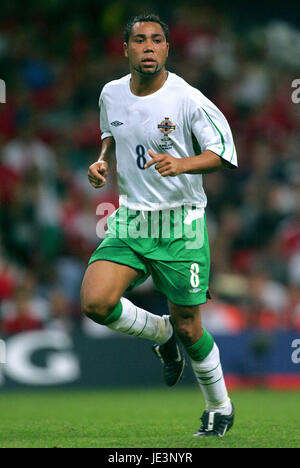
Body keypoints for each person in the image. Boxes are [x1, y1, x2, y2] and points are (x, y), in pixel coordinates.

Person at [81, 14, 237, 437]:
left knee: (191, 326)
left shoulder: (187, 98)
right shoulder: (110, 93)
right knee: (95, 302)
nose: (147, 47)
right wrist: (101, 163)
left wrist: (183, 163)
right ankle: (161, 333)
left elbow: (224, 151)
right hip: (131, 218)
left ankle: (219, 406)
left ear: (167, 49)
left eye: (156, 40)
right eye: (139, 40)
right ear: (125, 49)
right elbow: (111, 136)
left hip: (181, 222)